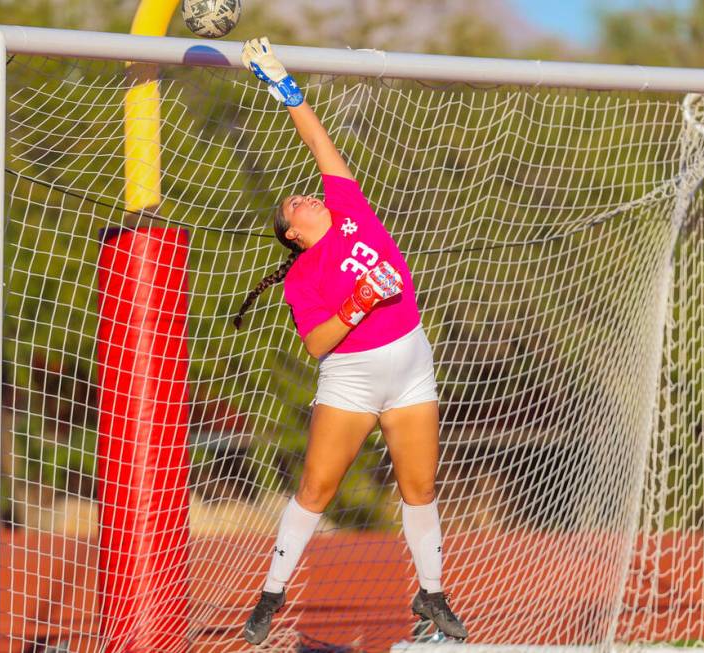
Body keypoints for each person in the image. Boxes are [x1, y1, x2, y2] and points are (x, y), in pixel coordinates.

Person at [232, 37, 468, 646]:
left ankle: (432, 592)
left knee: (419, 489)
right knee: (317, 489)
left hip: (412, 362)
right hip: (355, 376)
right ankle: (272, 593)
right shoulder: (304, 277)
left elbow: (319, 143)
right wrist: (359, 301)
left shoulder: (350, 207)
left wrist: (281, 84)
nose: (306, 196)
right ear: (291, 234)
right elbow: (316, 342)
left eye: (305, 193)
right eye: (295, 205)